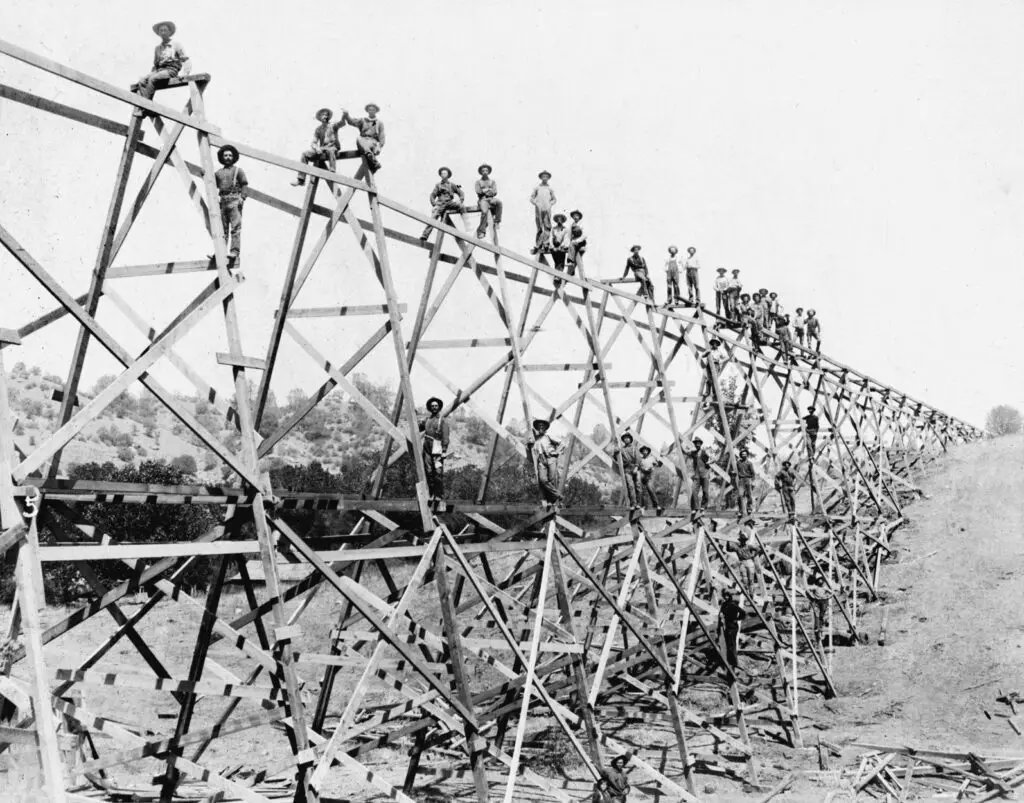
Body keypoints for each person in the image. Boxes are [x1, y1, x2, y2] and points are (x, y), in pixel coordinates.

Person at [131, 21, 191, 101]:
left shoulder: (176, 44)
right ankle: (146, 108)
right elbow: (155, 65)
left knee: (153, 79)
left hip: (171, 70)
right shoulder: (157, 48)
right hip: (159, 71)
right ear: (159, 33)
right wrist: (149, 75)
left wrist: (185, 73)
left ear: (169, 32)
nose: (163, 33)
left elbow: (186, 60)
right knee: (142, 81)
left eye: (165, 30)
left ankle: (146, 107)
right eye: (161, 31)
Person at [292, 108, 343, 186]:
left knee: (331, 150)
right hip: (323, 149)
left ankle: (332, 172)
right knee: (305, 154)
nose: (325, 116)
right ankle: (301, 179)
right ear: (320, 117)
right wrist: (317, 148)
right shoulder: (318, 129)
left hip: (332, 147)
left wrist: (345, 115)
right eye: (323, 115)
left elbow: (341, 123)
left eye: (326, 115)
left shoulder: (333, 126)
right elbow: (313, 143)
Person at [214, 145, 247, 264]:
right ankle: (221, 252)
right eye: (226, 155)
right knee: (222, 230)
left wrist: (242, 198)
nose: (228, 157)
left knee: (235, 228)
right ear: (222, 157)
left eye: (230, 155)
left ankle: (234, 252)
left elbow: (244, 185)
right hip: (223, 202)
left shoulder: (238, 171)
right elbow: (211, 182)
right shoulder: (218, 173)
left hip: (234, 201)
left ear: (233, 157)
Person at [420, 167, 464, 241]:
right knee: (433, 218)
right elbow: (432, 195)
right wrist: (434, 204)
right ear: (440, 175)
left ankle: (466, 225)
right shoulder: (438, 185)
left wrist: (460, 200)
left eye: (445, 173)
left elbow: (460, 192)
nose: (443, 175)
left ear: (448, 175)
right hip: (440, 203)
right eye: (442, 173)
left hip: (449, 203)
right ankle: (425, 235)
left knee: (461, 206)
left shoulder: (453, 185)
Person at [419, 397, 450, 500]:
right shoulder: (427, 420)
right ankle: (431, 494)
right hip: (427, 447)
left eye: (436, 406)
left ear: (439, 407)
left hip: (437, 447)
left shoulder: (443, 421)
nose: (434, 408)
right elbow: (419, 427)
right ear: (429, 408)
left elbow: (445, 436)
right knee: (428, 471)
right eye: (432, 406)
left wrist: (444, 451)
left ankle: (438, 495)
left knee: (438, 471)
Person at [340, 103, 385, 172]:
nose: (371, 111)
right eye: (370, 110)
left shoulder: (379, 123)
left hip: (372, 141)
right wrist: (347, 115)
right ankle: (372, 159)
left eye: (373, 110)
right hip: (363, 139)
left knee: (366, 147)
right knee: (359, 139)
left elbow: (382, 136)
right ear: (367, 111)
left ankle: (372, 160)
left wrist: (379, 146)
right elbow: (352, 121)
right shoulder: (363, 120)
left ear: (376, 111)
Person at [531, 419, 563, 508]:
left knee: (552, 479)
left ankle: (552, 501)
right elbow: (532, 449)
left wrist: (556, 452)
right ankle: (558, 495)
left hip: (550, 458)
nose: (541, 427)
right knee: (543, 479)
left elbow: (562, 443)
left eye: (542, 426)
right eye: (539, 426)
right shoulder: (537, 439)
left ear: (545, 428)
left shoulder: (548, 436)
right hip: (542, 461)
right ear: (537, 428)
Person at [680, 437, 711, 513]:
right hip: (697, 476)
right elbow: (685, 451)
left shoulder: (704, 452)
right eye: (696, 443)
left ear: (700, 444)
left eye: (699, 443)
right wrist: (681, 443)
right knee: (694, 491)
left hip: (705, 475)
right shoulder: (693, 453)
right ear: (694, 444)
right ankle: (695, 508)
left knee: (705, 492)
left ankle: (703, 507)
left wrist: (709, 462)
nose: (697, 444)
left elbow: (713, 458)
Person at [612, 432, 642, 510]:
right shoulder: (622, 449)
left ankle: (638, 504)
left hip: (635, 467)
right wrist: (615, 453)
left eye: (627, 438)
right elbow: (616, 458)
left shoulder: (634, 448)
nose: (626, 439)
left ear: (630, 439)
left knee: (638, 486)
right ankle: (633, 504)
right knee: (630, 486)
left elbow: (638, 458)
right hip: (627, 469)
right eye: (624, 438)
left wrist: (636, 467)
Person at [718, 590, 747, 670]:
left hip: (733, 627)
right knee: (729, 644)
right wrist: (721, 616)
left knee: (732, 644)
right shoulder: (724, 604)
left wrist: (736, 619)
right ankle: (730, 660)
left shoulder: (732, 604)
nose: (725, 597)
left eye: (726, 596)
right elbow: (721, 613)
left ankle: (733, 662)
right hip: (727, 626)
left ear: (729, 596)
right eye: (724, 596)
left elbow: (743, 613)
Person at [531, 171, 557, 254]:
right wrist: (536, 203)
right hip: (539, 209)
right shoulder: (537, 188)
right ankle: (538, 244)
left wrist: (550, 204)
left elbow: (554, 199)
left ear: (548, 178)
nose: (545, 178)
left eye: (546, 177)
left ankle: (546, 243)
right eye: (543, 176)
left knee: (547, 226)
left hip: (547, 209)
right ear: (541, 178)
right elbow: (531, 198)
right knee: (539, 226)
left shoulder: (550, 188)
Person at [474, 163, 502, 240]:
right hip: (482, 199)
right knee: (484, 211)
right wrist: (487, 190)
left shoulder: (492, 182)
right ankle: (482, 231)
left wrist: (487, 191)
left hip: (491, 199)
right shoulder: (478, 182)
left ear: (489, 172)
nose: (485, 172)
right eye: (483, 171)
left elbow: (495, 191)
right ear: (481, 172)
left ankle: (497, 221)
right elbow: (478, 191)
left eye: (486, 170)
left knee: (499, 203)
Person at [638, 445, 664, 514]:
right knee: (643, 491)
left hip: (650, 475)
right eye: (643, 451)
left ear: (648, 451)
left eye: (646, 450)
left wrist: (661, 458)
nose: (645, 452)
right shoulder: (640, 459)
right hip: (643, 475)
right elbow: (638, 467)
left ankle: (657, 505)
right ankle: (644, 506)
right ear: (642, 452)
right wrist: (643, 469)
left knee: (650, 488)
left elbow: (659, 465)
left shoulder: (652, 458)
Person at [805, 573, 830, 645]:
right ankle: (817, 627)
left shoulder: (824, 587)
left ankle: (821, 627)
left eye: (821, 580)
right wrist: (811, 595)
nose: (820, 581)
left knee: (822, 615)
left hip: (823, 602)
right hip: (817, 602)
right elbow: (807, 589)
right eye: (819, 580)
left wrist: (827, 596)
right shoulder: (815, 587)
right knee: (817, 615)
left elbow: (831, 592)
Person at [735, 448, 755, 520]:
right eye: (742, 454)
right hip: (741, 480)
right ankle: (740, 511)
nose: (744, 455)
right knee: (740, 495)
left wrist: (752, 481)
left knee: (749, 495)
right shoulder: (738, 463)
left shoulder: (749, 463)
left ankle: (749, 508)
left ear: (747, 455)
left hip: (748, 479)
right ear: (741, 455)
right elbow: (735, 470)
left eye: (745, 454)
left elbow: (753, 473)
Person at [550, 213, 571, 284]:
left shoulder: (565, 229)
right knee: (557, 262)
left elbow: (566, 239)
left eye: (561, 219)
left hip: (561, 247)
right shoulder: (553, 229)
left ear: (562, 221)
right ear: (556, 221)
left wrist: (560, 246)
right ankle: (558, 276)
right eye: (558, 219)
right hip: (554, 247)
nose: (559, 221)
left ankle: (557, 276)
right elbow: (550, 238)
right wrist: (553, 247)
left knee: (560, 260)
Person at [567, 210, 587, 275]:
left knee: (572, 245)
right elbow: (569, 235)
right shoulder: (572, 225)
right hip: (574, 241)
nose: (575, 217)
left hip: (581, 241)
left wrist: (577, 241)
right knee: (570, 246)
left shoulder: (582, 224)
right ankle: (571, 269)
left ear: (579, 217)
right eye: (574, 216)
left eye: (577, 216)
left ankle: (571, 262)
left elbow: (584, 235)